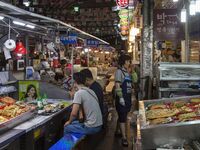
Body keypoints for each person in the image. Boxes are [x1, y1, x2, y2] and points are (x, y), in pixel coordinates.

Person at [114, 54, 132, 147]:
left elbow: (133, 81)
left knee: (123, 115)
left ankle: (117, 131)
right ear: (124, 61)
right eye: (128, 61)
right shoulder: (119, 72)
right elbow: (117, 85)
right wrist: (120, 97)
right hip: (122, 98)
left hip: (127, 97)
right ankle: (124, 138)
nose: (129, 63)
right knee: (122, 117)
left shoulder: (127, 72)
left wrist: (133, 73)